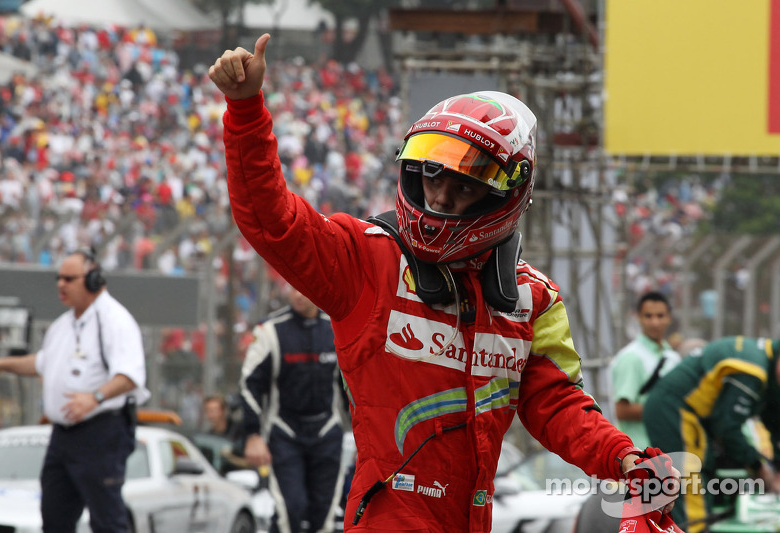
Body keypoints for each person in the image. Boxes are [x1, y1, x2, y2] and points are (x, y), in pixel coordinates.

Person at [209, 34, 652, 532]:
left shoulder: (532, 299)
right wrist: (245, 111)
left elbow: (556, 404)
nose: (439, 197)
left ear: (505, 195)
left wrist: (624, 458)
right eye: (430, 176)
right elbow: (273, 223)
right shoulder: (366, 257)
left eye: (463, 185)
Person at [0, 249, 149, 533]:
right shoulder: (63, 326)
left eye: (69, 279)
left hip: (101, 431)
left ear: (94, 280)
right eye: (59, 278)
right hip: (63, 434)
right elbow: (42, 363)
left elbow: (130, 375)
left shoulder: (114, 320)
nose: (61, 285)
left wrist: (94, 398)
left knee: (106, 520)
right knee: (55, 517)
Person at [644, 336, 780, 532]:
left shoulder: (767, 366)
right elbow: (727, 430)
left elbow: (774, 421)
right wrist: (758, 467)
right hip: (676, 409)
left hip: (692, 413)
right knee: (692, 479)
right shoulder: (753, 369)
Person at [240, 286, 345, 533]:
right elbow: (249, 383)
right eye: (293, 288)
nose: (299, 295)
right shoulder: (270, 330)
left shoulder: (337, 327)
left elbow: (355, 385)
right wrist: (253, 434)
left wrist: (365, 434)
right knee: (292, 510)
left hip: (327, 430)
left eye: (305, 289)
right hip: (285, 432)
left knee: (325, 512)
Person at [611, 291, 681, 448]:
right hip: (638, 453)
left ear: (669, 318)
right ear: (639, 318)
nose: (654, 322)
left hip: (667, 452)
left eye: (660, 316)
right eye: (648, 316)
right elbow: (621, 410)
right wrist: (667, 410)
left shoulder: (673, 358)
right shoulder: (630, 357)